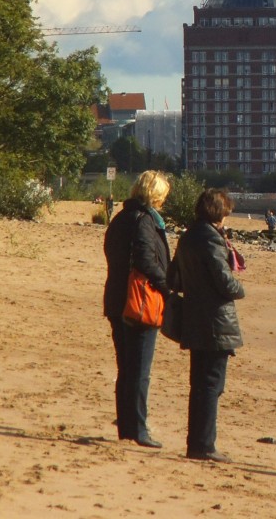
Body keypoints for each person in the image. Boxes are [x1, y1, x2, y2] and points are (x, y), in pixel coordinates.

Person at [167, 188, 246, 463]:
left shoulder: (188, 237)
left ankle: (197, 443)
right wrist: (239, 288)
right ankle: (204, 445)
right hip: (213, 319)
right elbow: (223, 281)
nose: (227, 218)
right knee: (211, 385)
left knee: (200, 384)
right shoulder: (211, 240)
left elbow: (173, 278)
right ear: (217, 212)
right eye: (225, 212)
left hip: (193, 317)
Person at [102, 170, 171, 448]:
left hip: (116, 299)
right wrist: (167, 286)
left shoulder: (120, 218)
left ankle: (128, 428)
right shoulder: (144, 220)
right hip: (139, 301)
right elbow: (146, 259)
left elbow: (111, 252)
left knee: (126, 368)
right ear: (155, 195)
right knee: (139, 370)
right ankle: (138, 429)